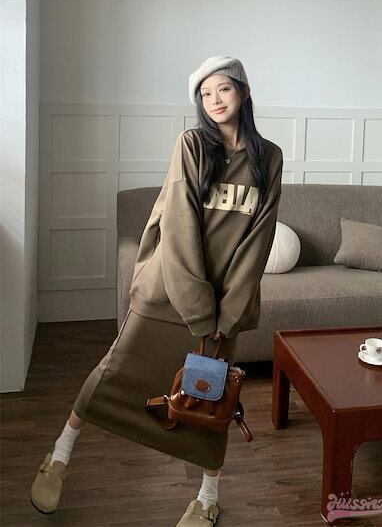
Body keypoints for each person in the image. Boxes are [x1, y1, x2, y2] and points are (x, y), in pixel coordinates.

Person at [30, 55, 283, 527]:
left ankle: (207, 498)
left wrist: (227, 314)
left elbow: (259, 238)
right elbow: (179, 225)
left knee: (210, 399)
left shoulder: (269, 157)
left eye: (223, 89)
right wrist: (199, 309)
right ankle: (59, 456)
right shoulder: (192, 144)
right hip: (168, 292)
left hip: (224, 308)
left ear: (244, 92)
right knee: (114, 372)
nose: (214, 100)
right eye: (205, 94)